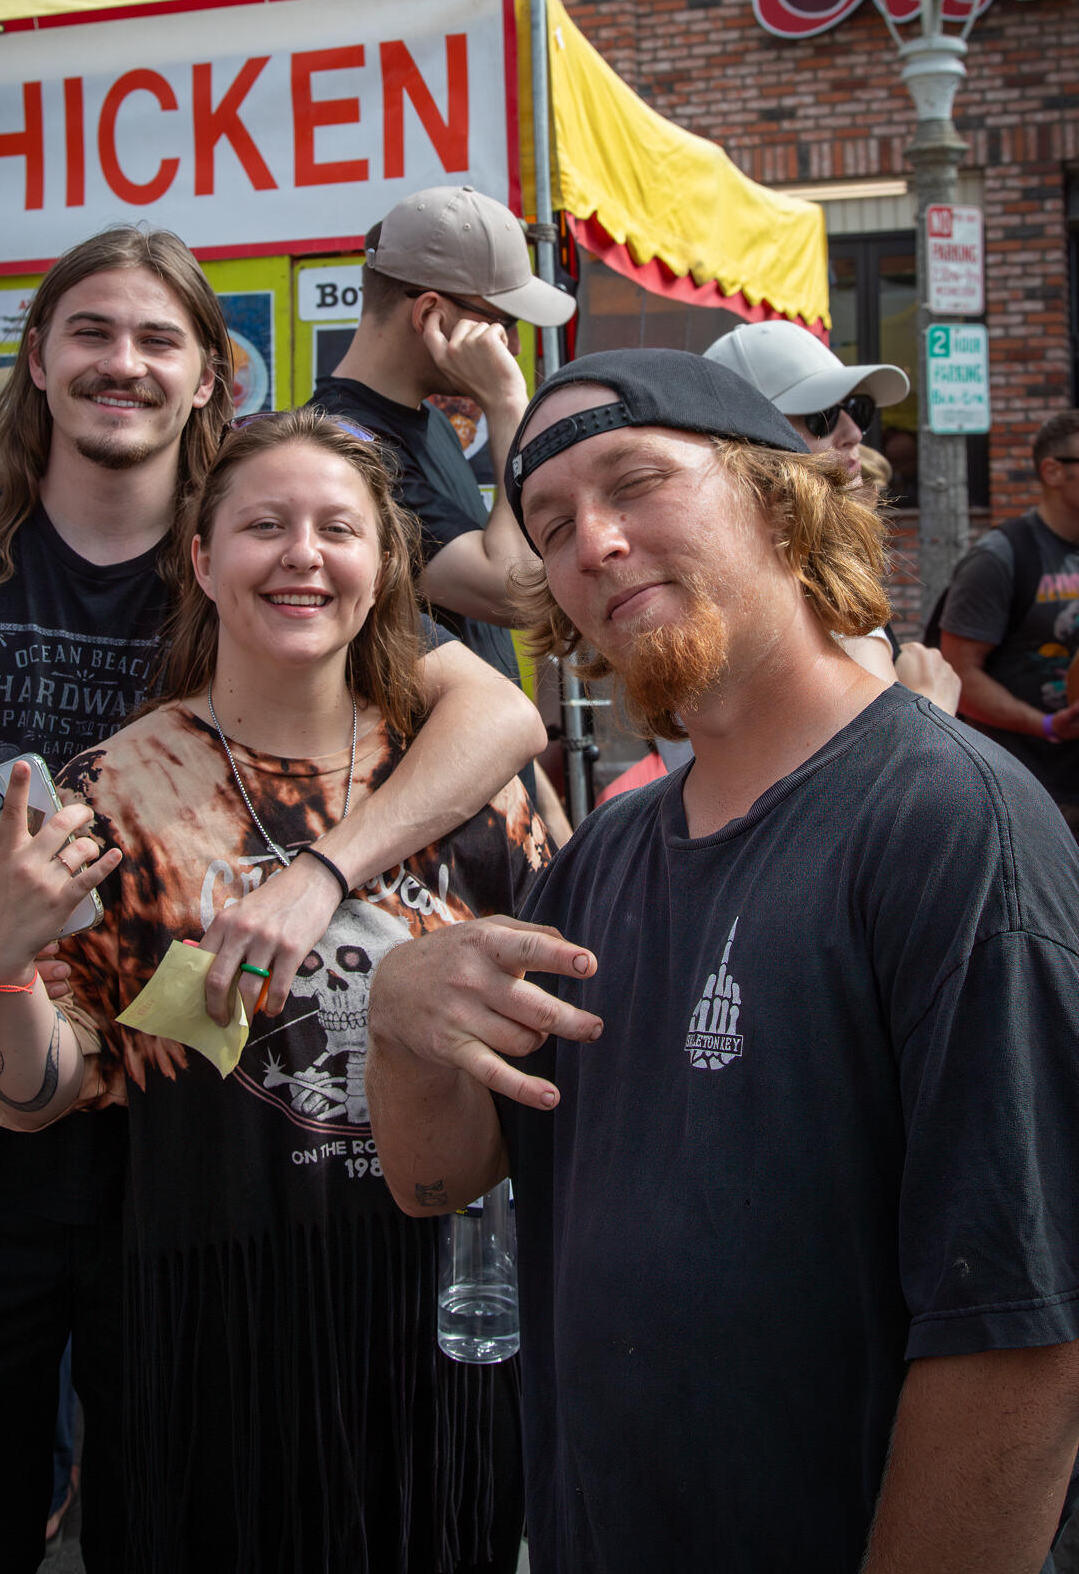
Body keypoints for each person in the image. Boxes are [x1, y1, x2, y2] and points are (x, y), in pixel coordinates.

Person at [0, 228, 544, 1574]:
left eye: (160, 340)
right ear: (35, 359)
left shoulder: (254, 549)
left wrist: (322, 875)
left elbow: (495, 712)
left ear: (209, 376)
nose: (122, 365)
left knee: (175, 1499)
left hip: (184, 1151)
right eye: (90, 331)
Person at [366, 348, 1079, 1574]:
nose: (590, 543)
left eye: (635, 483)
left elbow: (1021, 1341)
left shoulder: (950, 825)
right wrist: (397, 1018)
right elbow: (434, 1182)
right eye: (550, 526)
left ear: (774, 499)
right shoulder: (602, 857)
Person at [310, 185, 575, 696]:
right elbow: (513, 590)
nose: (515, 347)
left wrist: (526, 776)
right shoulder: (345, 447)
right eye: (504, 324)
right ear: (432, 314)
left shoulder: (427, 422)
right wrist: (505, 404)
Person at [703, 317, 960, 710]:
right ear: (742, 442)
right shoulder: (782, 584)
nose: (855, 432)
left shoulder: (792, 565)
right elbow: (870, 760)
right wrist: (932, 706)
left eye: (858, 408)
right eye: (821, 415)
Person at [939, 408, 1079, 834]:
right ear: (1052, 472)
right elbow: (958, 675)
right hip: (1032, 793)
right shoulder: (1001, 556)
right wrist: (1047, 725)